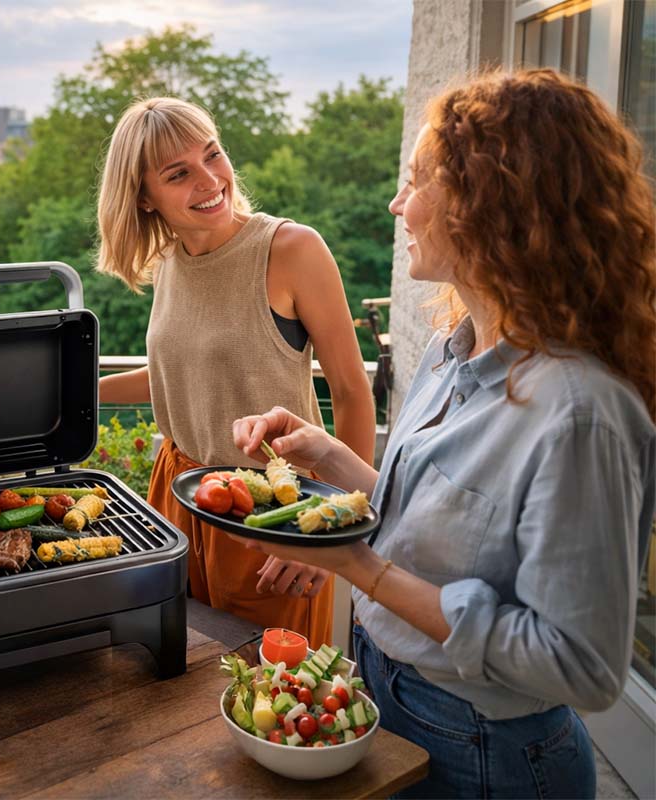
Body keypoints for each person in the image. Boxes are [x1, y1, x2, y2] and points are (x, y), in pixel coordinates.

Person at [233, 68, 656, 798]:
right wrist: (330, 453)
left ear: (492, 204)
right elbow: (444, 525)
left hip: (486, 750)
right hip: (384, 695)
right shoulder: (455, 346)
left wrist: (356, 568)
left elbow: (581, 666)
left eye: (418, 183)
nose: (399, 205)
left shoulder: (580, 413)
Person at [96, 97, 375, 647]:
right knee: (178, 682)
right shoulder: (171, 261)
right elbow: (178, 371)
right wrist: (76, 394)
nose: (209, 180)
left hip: (266, 514)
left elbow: (350, 391)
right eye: (179, 174)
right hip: (176, 497)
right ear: (145, 198)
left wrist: (338, 530)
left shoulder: (291, 249)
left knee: (275, 693)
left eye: (212, 155)